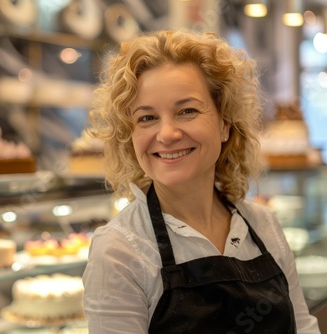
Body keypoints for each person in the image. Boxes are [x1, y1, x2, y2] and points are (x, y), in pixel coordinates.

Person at [82, 29, 320, 333]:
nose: (167, 134)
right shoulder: (120, 251)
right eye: (147, 118)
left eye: (187, 111)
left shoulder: (263, 225)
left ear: (224, 124)